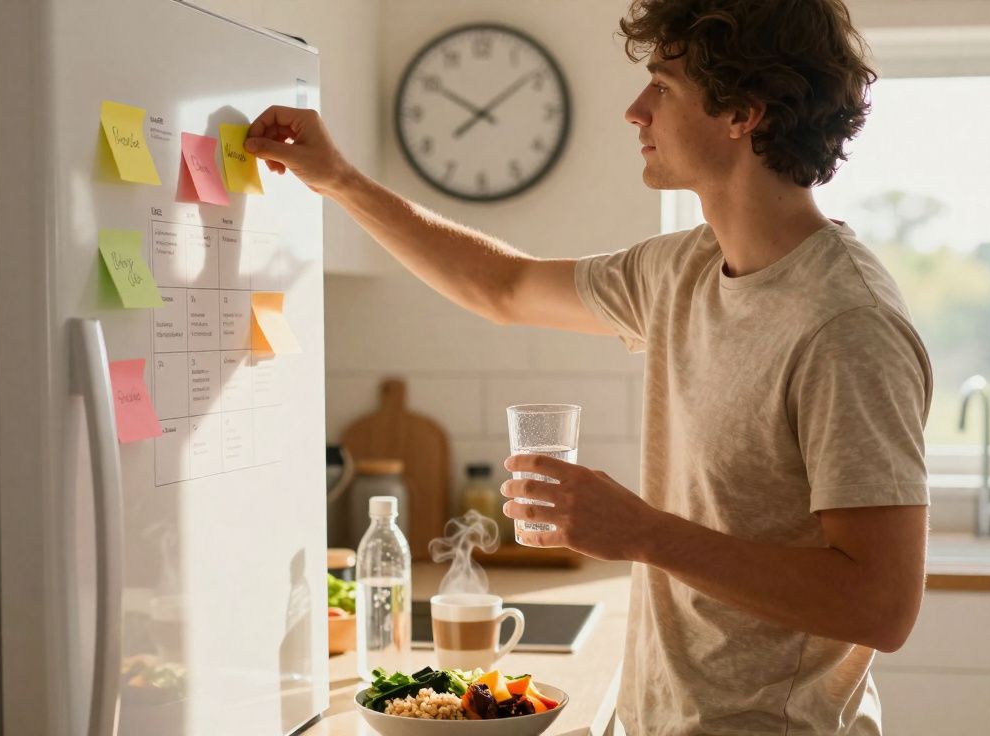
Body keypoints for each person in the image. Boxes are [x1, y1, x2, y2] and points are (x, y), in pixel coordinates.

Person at [245, 0, 930, 732]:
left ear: (743, 114)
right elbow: (503, 286)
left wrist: (640, 532)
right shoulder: (684, 270)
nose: (636, 111)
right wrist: (341, 180)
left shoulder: (845, 324)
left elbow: (880, 606)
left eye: (663, 87)